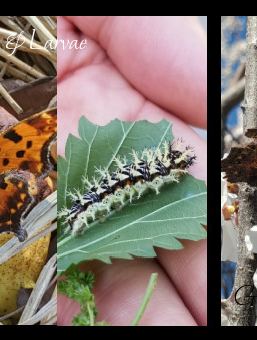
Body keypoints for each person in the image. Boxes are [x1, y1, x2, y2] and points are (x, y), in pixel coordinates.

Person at [56, 16, 207, 326]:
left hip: (91, 203)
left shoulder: (148, 176)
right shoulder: (141, 179)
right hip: (87, 206)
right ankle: (78, 214)